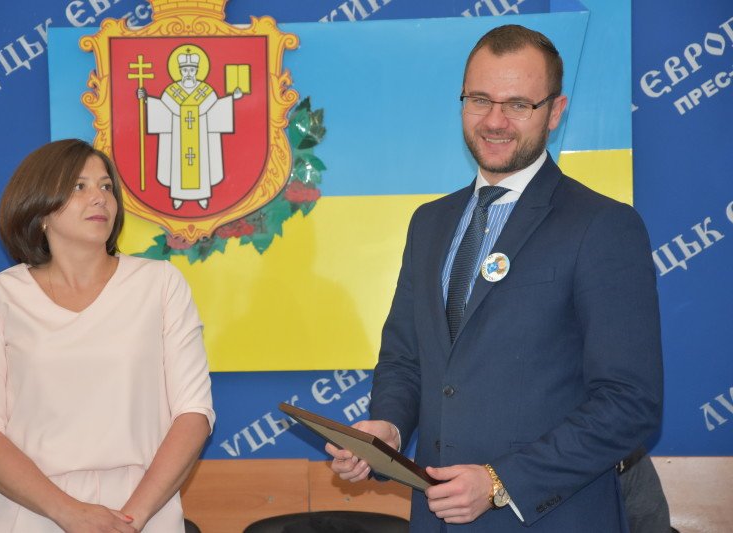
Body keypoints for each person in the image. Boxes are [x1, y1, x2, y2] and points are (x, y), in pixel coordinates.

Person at [326, 24, 663, 532]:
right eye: (480, 100)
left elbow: (629, 402)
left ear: (555, 111)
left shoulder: (602, 226)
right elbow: (406, 358)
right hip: (436, 518)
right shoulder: (429, 223)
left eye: (518, 104)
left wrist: (500, 482)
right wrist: (388, 429)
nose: (494, 121)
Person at [0, 139, 214, 532]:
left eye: (106, 186)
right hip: (37, 512)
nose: (100, 198)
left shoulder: (160, 283)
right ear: (39, 208)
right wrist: (70, 513)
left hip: (144, 509)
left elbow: (193, 414)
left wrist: (129, 521)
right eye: (79, 186)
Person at [137, 46, 243, 210]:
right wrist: (146, 99)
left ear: (197, 71)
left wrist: (232, 98)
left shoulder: (205, 91)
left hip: (201, 137)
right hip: (177, 137)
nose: (188, 73)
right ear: (180, 71)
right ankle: (178, 196)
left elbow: (216, 108)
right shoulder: (172, 92)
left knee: (202, 163)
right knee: (177, 164)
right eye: (185, 70)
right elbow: (162, 110)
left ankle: (202, 196)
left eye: (191, 70)